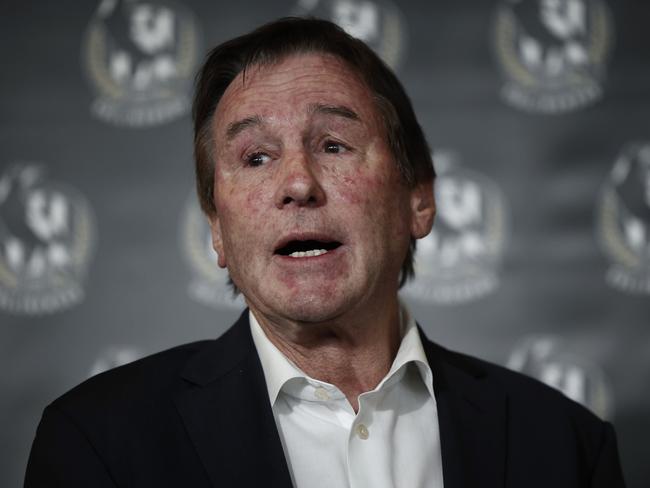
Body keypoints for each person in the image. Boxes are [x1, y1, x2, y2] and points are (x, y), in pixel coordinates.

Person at [25, 17, 625, 488]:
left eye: (334, 144)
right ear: (216, 229)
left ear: (418, 197)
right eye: (256, 157)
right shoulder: (98, 442)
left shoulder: (563, 444)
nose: (298, 183)